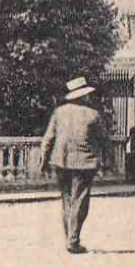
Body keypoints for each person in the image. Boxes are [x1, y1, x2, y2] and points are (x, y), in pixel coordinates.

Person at [39, 76, 108, 254]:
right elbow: (104, 141)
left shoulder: (59, 112)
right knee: (80, 201)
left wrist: (43, 162)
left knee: (67, 200)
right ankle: (73, 240)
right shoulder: (93, 114)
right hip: (85, 163)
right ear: (83, 96)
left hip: (60, 161)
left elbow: (47, 139)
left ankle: (70, 237)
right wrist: (108, 163)